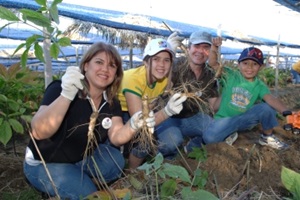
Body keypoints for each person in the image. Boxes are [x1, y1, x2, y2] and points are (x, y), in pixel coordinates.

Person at [23, 42, 156, 200]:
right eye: (99, 62)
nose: (105, 69)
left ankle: (72, 184)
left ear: (116, 73)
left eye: (112, 65)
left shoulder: (111, 102)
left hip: (80, 159)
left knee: (115, 161)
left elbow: (116, 136)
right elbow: (39, 132)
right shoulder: (61, 88)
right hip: (45, 162)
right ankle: (64, 188)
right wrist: (66, 95)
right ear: (86, 65)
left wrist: (134, 124)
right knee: (87, 194)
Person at [117, 38, 187, 169]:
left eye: (167, 60)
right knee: (144, 133)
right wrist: (166, 112)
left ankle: (132, 171)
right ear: (146, 62)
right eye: (156, 59)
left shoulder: (162, 80)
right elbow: (141, 123)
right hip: (116, 111)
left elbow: (167, 86)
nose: (162, 64)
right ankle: (125, 164)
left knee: (145, 141)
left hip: (137, 110)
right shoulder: (133, 79)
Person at [202, 46, 290, 150]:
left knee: (267, 108)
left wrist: (287, 112)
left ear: (260, 67)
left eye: (255, 64)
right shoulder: (230, 75)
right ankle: (229, 133)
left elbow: (271, 99)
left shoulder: (259, 86)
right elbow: (212, 65)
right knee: (209, 138)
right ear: (238, 64)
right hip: (223, 120)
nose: (250, 67)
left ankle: (267, 137)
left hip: (244, 119)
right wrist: (215, 47)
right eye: (245, 63)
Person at [151, 31, 222, 158]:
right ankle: (161, 155)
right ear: (188, 48)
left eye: (205, 48)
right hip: (167, 117)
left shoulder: (210, 74)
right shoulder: (175, 65)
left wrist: (227, 90)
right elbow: (161, 89)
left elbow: (213, 106)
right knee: (171, 143)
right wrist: (169, 55)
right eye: (196, 46)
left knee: (216, 131)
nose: (200, 51)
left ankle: (190, 147)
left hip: (192, 117)